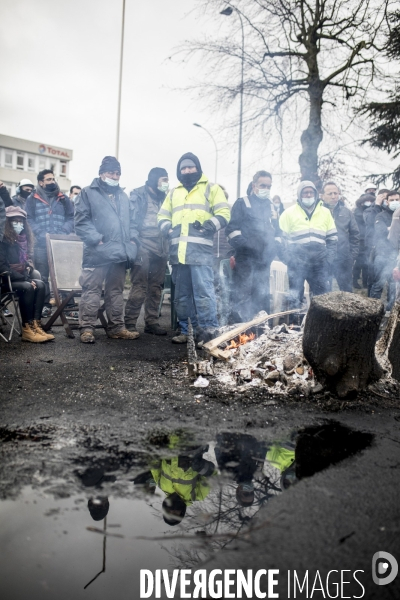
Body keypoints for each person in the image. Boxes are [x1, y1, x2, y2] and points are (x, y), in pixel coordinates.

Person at [157, 152, 230, 344]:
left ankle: (208, 333)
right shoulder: (174, 192)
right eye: (183, 168)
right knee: (181, 297)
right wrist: (167, 228)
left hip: (201, 254)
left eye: (191, 167)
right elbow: (162, 216)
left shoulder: (211, 189)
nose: (187, 171)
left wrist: (208, 226)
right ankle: (186, 331)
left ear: (198, 168)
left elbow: (224, 213)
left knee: (204, 295)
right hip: (178, 255)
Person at [74, 156, 139, 343]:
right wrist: (97, 240)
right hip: (96, 252)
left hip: (119, 252)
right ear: (101, 173)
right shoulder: (87, 193)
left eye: (118, 173)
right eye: (111, 172)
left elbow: (132, 222)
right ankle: (87, 329)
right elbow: (81, 221)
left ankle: (117, 328)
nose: (115, 176)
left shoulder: (123, 196)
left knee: (116, 291)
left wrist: (133, 239)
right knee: (91, 290)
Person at [225, 170, 282, 321]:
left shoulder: (272, 207)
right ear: (254, 185)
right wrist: (247, 247)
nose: (266, 189)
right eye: (263, 185)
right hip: (245, 260)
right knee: (241, 296)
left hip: (264, 260)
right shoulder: (242, 203)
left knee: (261, 297)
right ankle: (236, 330)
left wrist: (274, 247)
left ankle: (260, 330)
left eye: (269, 186)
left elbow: (277, 231)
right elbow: (231, 230)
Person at [124, 168, 169, 336]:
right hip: (143, 245)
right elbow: (132, 222)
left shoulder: (166, 197)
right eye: (164, 179)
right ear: (155, 180)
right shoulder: (138, 195)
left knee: (156, 287)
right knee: (140, 285)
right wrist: (135, 242)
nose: (166, 183)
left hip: (161, 246)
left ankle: (152, 322)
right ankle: (129, 323)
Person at [279, 180, 337, 308]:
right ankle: (293, 325)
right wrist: (289, 260)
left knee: (323, 299)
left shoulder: (325, 212)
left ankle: (320, 326)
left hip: (319, 264)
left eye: (311, 192)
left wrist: (329, 260)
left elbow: (332, 239)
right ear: (299, 195)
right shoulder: (288, 213)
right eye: (305, 193)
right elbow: (280, 241)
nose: (309, 195)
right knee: (295, 299)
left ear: (316, 194)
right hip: (297, 263)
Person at [0, 206, 54, 342]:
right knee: (28, 286)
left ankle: (35, 325)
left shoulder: (22, 240)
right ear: (6, 222)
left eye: (21, 221)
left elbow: (24, 264)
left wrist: (28, 269)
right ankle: (26, 329)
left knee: (41, 284)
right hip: (4, 281)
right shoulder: (2, 241)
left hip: (16, 278)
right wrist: (26, 278)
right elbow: (2, 268)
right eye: (15, 221)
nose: (19, 224)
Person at [26, 169, 75, 318]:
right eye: (48, 179)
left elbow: (72, 217)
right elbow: (28, 219)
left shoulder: (63, 198)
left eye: (53, 179)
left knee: (65, 274)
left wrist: (63, 231)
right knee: (43, 276)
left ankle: (69, 306)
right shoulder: (32, 199)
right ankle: (45, 306)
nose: (52, 182)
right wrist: (41, 234)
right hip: (41, 244)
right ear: (41, 182)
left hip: (61, 244)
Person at [321, 181, 359, 292]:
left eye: (336, 193)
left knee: (347, 293)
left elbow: (355, 235)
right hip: (323, 258)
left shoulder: (346, 212)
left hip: (343, 259)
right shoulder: (318, 212)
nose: (333, 196)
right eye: (330, 194)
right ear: (322, 196)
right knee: (323, 293)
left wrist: (352, 256)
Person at [369, 190, 400, 310]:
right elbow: (380, 231)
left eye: (397, 199)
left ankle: (390, 312)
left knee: (394, 286)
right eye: (392, 200)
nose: (395, 202)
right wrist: (393, 228)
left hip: (396, 256)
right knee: (378, 284)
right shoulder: (381, 215)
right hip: (382, 254)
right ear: (387, 202)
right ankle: (373, 311)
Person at [352, 193, 375, 289]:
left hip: (368, 239)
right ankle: (355, 280)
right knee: (359, 262)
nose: (368, 203)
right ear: (361, 203)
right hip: (360, 240)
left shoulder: (371, 211)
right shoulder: (357, 212)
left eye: (370, 201)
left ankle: (365, 282)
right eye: (367, 201)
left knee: (367, 262)